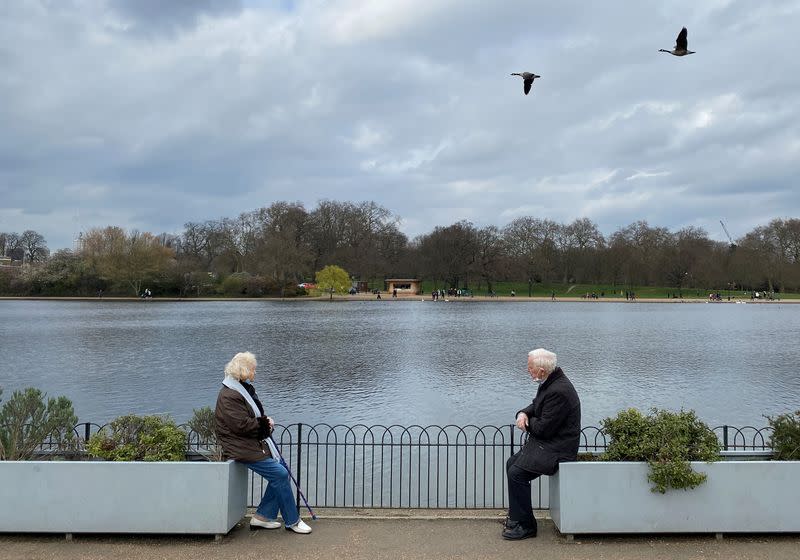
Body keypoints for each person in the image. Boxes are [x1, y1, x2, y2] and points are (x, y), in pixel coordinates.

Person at [214, 351, 312, 534]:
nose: (255, 372)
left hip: (248, 443)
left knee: (281, 471)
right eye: (252, 369)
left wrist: (264, 422)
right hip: (239, 447)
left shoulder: (241, 389)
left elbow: (248, 420)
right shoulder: (229, 395)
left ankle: (262, 517)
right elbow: (241, 425)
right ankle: (293, 521)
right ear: (243, 370)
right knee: (281, 474)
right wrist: (265, 423)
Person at [503, 348, 581, 540]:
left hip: (558, 448)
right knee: (511, 464)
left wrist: (527, 424)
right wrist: (523, 413)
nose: (527, 370)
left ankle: (527, 526)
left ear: (541, 371)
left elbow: (544, 429)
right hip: (548, 443)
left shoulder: (559, 391)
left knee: (517, 474)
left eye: (530, 367)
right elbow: (537, 405)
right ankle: (517, 517)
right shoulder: (550, 382)